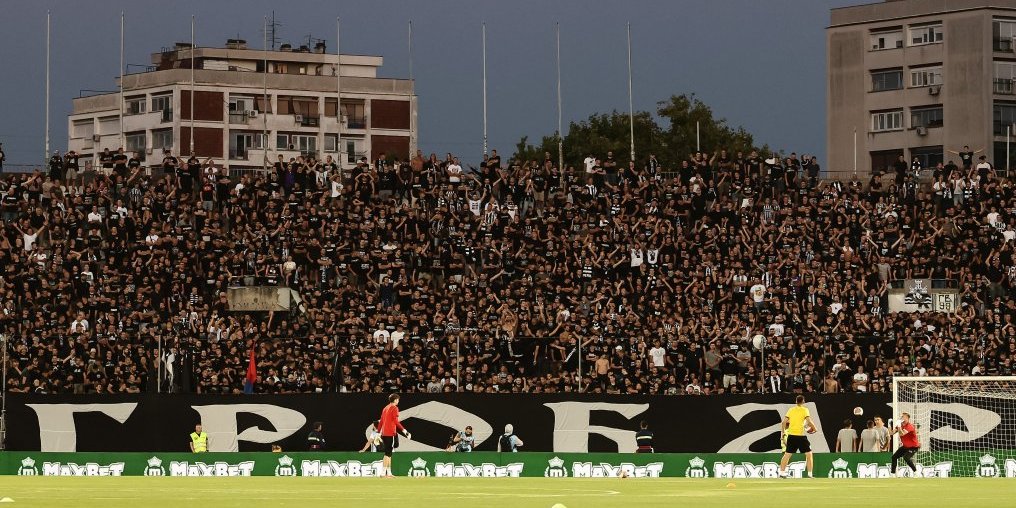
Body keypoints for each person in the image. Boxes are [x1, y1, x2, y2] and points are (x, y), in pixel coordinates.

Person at [779, 395, 817, 478]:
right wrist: (815, 429)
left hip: (791, 436)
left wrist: (782, 433)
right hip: (800, 436)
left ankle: (781, 473)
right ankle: (810, 474)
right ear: (803, 401)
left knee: (787, 455)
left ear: (796, 401)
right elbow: (809, 421)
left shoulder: (791, 410)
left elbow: (783, 422)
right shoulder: (805, 410)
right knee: (809, 454)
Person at [379, 394, 411, 478]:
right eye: (398, 399)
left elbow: (381, 421)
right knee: (387, 453)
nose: (398, 401)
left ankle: (388, 472)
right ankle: (383, 473)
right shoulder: (395, 408)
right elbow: (396, 422)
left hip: (384, 433)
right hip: (390, 433)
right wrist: (405, 431)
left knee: (388, 453)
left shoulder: (385, 408)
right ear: (395, 400)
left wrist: (378, 432)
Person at [890, 412, 921, 476]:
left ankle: (916, 472)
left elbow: (901, 434)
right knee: (894, 457)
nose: (902, 418)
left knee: (906, 458)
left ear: (907, 418)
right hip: (905, 446)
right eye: (901, 417)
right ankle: (893, 474)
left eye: (903, 417)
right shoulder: (900, 425)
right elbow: (891, 433)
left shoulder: (910, 426)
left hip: (914, 447)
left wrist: (898, 426)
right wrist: (889, 424)